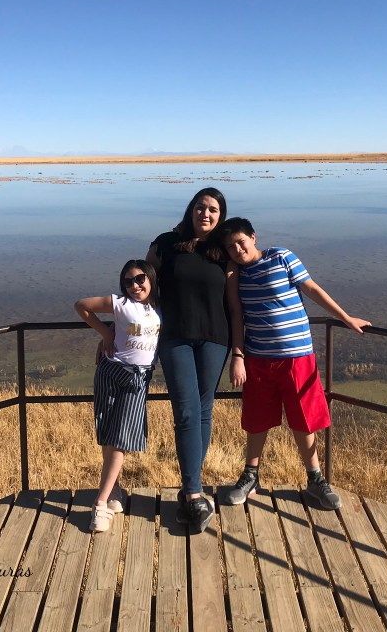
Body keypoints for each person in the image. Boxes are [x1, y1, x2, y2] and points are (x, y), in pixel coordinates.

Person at [219, 216, 371, 510]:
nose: (238, 249)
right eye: (230, 247)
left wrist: (346, 318)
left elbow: (313, 290)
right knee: (257, 419)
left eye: (241, 241)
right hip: (258, 358)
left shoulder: (282, 257)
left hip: (297, 356)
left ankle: (315, 479)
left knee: (304, 419)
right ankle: (251, 476)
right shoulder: (236, 274)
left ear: (253, 236)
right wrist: (237, 356)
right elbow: (237, 315)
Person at [147, 187, 231, 533]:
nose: (206, 214)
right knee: (185, 410)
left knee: (204, 407)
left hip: (215, 338)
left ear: (220, 216)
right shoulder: (166, 243)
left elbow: (237, 297)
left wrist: (240, 349)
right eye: (201, 207)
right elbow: (143, 285)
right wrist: (120, 330)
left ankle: (191, 488)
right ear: (191, 210)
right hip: (175, 337)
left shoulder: (223, 250)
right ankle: (194, 491)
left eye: (213, 210)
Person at [75, 260, 161, 532]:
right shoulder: (120, 304)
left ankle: (99, 505)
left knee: (121, 439)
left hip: (138, 378)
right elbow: (81, 306)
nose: (135, 285)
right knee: (109, 434)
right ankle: (113, 491)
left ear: (150, 279)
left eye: (140, 279)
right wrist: (106, 333)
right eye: (128, 281)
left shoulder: (159, 307)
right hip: (111, 372)